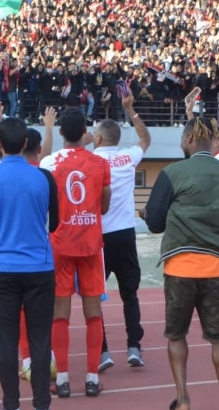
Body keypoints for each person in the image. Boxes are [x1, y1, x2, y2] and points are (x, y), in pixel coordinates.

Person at [144, 117, 219, 410]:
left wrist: (144, 213)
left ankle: (184, 400)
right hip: (216, 268)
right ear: (212, 141)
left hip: (179, 268)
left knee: (176, 336)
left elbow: (154, 223)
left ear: (189, 139)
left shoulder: (172, 172)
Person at [0, 117, 59, 410]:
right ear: (26, 143)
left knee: (6, 341)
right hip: (40, 268)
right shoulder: (45, 178)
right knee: (40, 339)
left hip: (2, 270)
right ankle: (41, 403)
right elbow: (55, 223)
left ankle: (10, 402)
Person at [40, 107, 112, 398]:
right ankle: (93, 379)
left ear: (60, 132)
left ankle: (64, 380)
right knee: (93, 313)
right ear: (85, 132)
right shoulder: (99, 162)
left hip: (60, 244)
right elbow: (104, 206)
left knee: (60, 314)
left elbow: (45, 204)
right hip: (91, 244)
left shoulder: (49, 162)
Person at [92, 92, 150, 371]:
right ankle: (134, 347)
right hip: (125, 235)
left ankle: (103, 352)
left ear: (99, 139)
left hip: (98, 239)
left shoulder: (90, 161)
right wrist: (131, 110)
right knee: (130, 295)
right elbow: (145, 139)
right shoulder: (127, 158)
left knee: (94, 299)